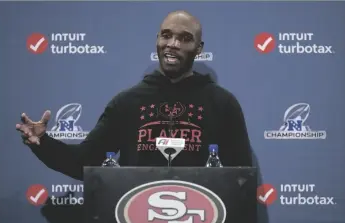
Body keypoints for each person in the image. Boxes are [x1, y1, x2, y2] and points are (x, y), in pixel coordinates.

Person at [16, 10, 253, 181]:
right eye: (166, 35)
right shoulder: (127, 103)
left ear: (199, 49)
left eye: (185, 38)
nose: (173, 44)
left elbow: (242, 177)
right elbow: (84, 163)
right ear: (157, 40)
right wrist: (43, 144)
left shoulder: (223, 104)